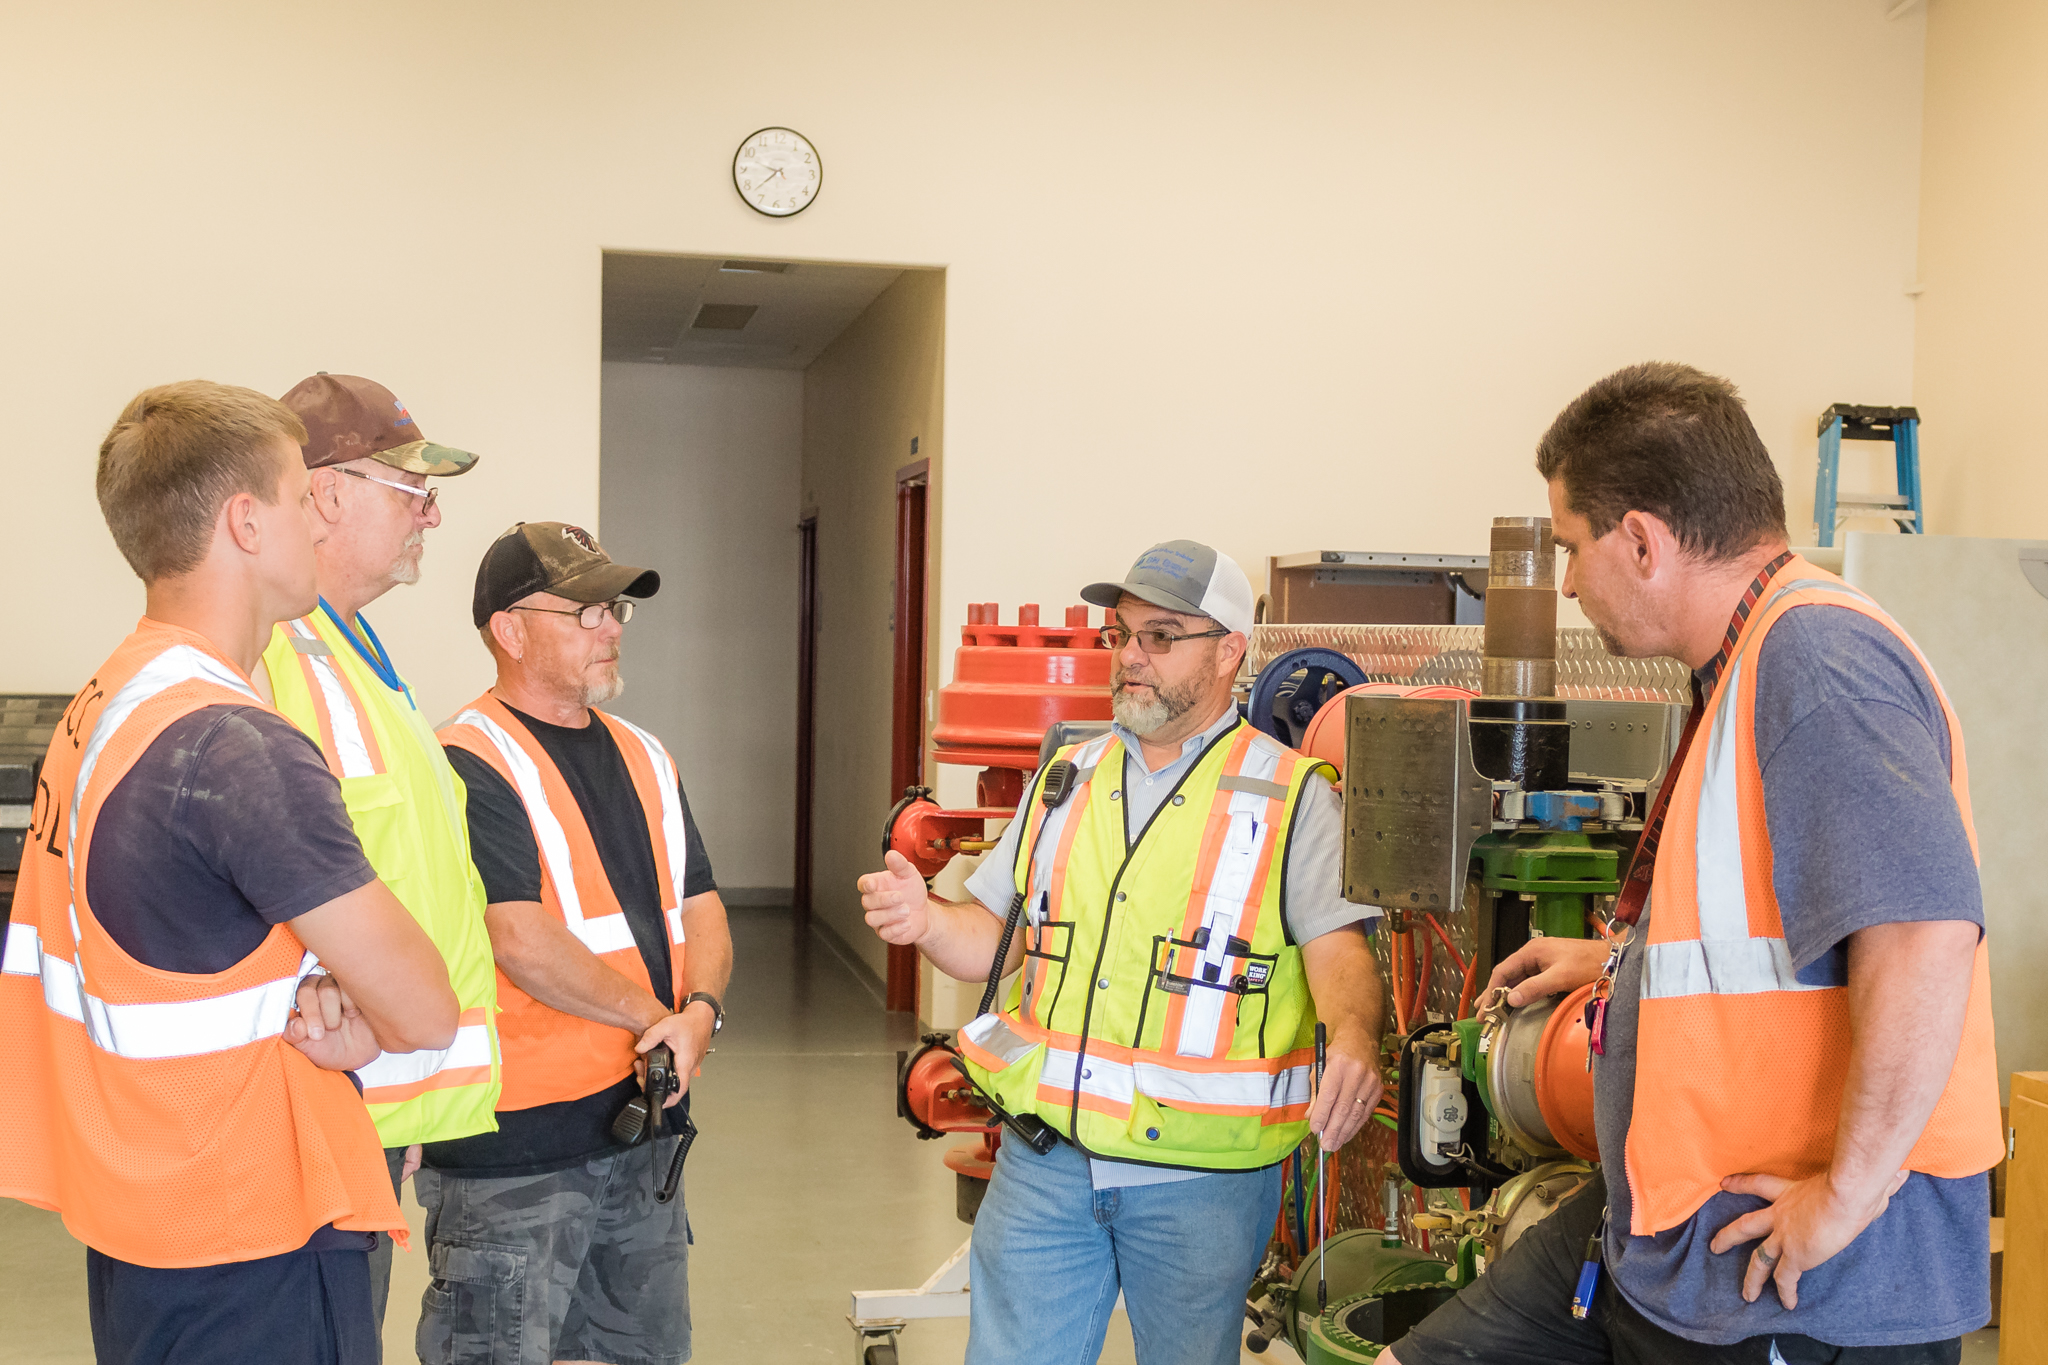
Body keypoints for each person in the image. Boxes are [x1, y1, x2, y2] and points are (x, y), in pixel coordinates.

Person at [1389, 363, 2002, 1365]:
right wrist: (1620, 968)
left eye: (1571, 549)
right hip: (1673, 1223)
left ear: (1641, 540)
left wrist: (1842, 1199)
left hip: (1793, 1284)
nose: (1568, 584)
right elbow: (1773, 944)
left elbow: (1922, 936)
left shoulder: (1816, 662)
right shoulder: (1744, 662)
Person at [0, 380, 459, 1365]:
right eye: (301, 498)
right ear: (246, 522)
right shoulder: (235, 746)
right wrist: (357, 1007)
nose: (318, 520)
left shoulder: (110, 699)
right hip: (254, 1234)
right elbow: (425, 1007)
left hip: (147, 1219)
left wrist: (323, 988)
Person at [859, 539, 1388, 1365]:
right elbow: (992, 941)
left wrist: (1354, 1037)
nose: (1131, 656)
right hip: (1047, 1164)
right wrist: (924, 918)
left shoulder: (1292, 796)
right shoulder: (1064, 780)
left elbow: (1340, 954)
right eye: (1122, 634)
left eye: (1161, 636)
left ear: (1229, 652)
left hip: (1200, 1183)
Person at [422, 521, 733, 1365]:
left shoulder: (646, 754)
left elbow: (701, 903)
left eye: (616, 609)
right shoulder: (468, 759)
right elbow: (518, 937)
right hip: (518, 1151)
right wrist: (656, 1017)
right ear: (509, 630)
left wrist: (700, 1011)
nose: (611, 628)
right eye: (585, 611)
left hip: (644, 1125)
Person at [252, 373, 503, 1338]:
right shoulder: (270, 655)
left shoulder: (350, 649)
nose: (431, 516)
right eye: (412, 490)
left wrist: (407, 1106)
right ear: (324, 493)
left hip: (370, 1109)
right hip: (309, 1117)